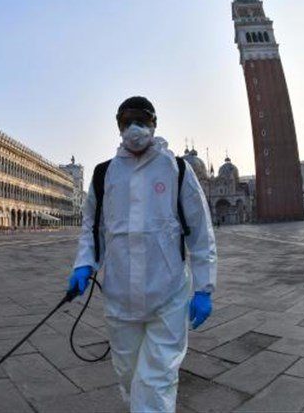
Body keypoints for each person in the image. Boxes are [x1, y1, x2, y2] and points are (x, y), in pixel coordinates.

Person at [68, 96, 217, 413]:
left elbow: (200, 231)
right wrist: (84, 264)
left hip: (168, 295)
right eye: (127, 121)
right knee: (128, 373)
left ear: (154, 123)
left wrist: (204, 288)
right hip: (119, 298)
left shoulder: (177, 169)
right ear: (118, 126)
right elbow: (92, 227)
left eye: (141, 120)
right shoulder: (104, 174)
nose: (134, 127)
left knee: (156, 378)